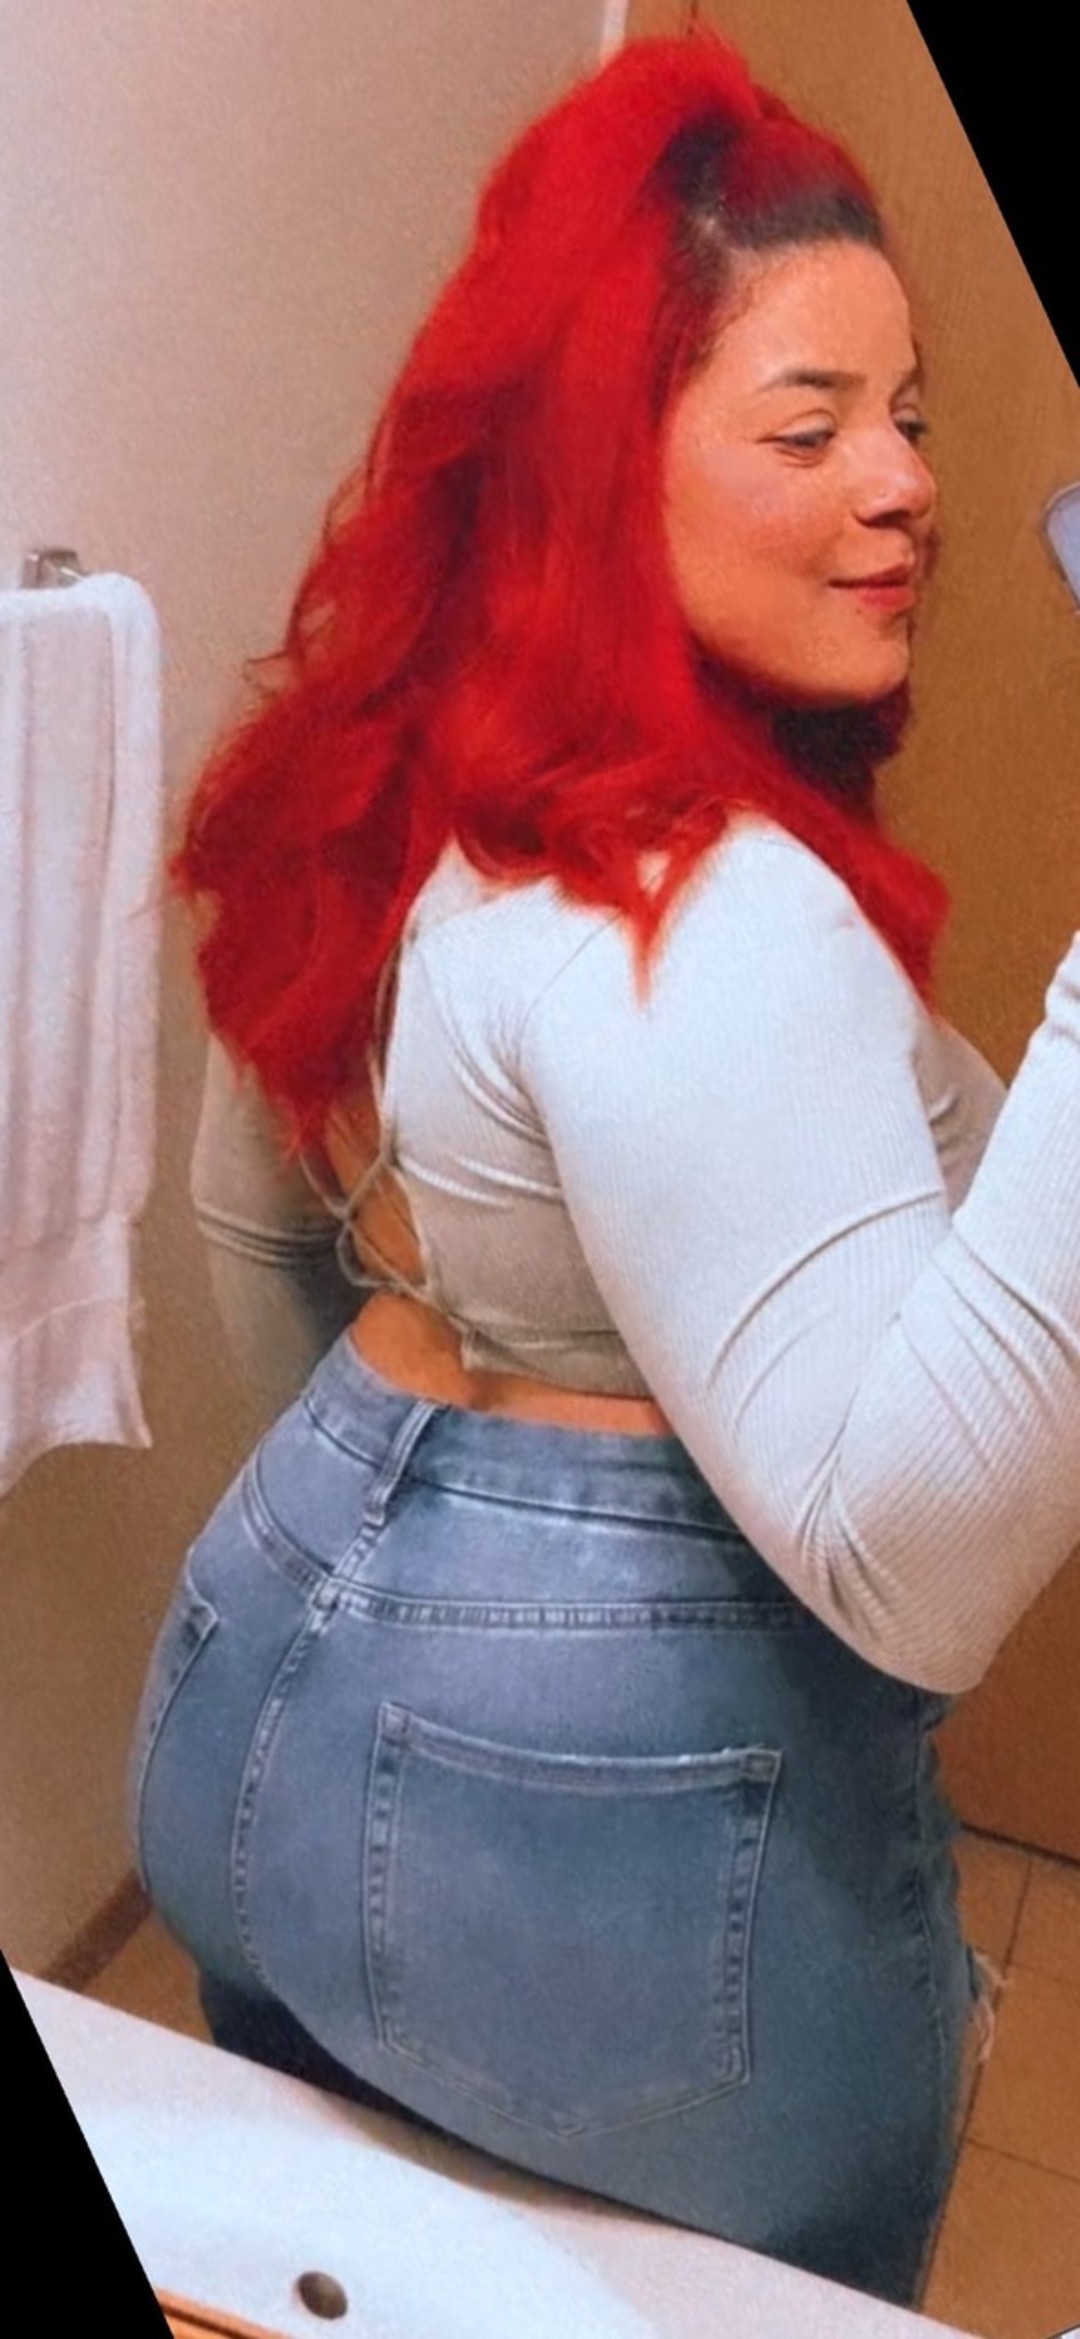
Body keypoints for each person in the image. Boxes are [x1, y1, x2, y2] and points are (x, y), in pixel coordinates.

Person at [128, 29, 1079, 2309]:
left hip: (245, 1702)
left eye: (912, 416)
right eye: (806, 429)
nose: (905, 487)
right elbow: (916, 1568)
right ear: (591, 467)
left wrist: (416, 1558)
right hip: (610, 1872)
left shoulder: (397, 787)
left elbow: (256, 1225)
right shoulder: (698, 901)